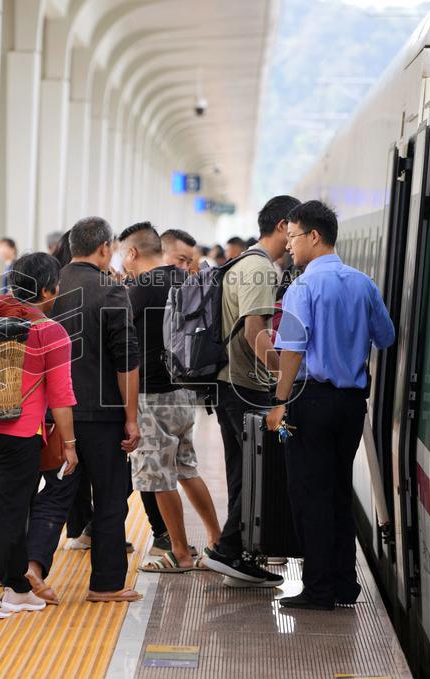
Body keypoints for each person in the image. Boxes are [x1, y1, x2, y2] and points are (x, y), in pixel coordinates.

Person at [267, 200, 395, 610]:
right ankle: (344, 585)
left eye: (293, 238)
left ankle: (319, 589)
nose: (289, 247)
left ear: (314, 236)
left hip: (310, 402)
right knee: (338, 490)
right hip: (351, 404)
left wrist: (279, 402)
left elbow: (291, 348)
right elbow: (385, 335)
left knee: (309, 494)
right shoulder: (363, 283)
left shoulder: (302, 287)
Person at [26, 217, 143, 603]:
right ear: (105, 248)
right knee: (110, 498)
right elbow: (126, 360)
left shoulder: (51, 287)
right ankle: (106, 585)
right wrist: (131, 418)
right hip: (102, 416)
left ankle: (33, 566)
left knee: (57, 493)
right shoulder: (111, 291)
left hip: (55, 413)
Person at [0, 253, 78, 618]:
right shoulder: (49, 331)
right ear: (47, 290)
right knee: (8, 515)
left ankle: (18, 588)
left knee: (6, 510)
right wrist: (70, 445)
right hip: (19, 433)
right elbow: (60, 396)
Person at [200, 194, 298, 587]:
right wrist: (281, 375)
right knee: (254, 475)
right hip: (244, 385)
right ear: (281, 226)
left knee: (243, 472)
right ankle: (228, 552)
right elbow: (256, 331)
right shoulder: (260, 269)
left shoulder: (243, 262)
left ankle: (238, 554)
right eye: (293, 231)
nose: (294, 240)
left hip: (229, 383)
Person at [119, 223, 221, 572]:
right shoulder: (184, 281)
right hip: (184, 392)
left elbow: (121, 347)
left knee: (158, 477)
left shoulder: (139, 291)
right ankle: (216, 540)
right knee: (187, 469)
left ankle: (179, 553)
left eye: (123, 254)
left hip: (152, 396)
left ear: (132, 253)